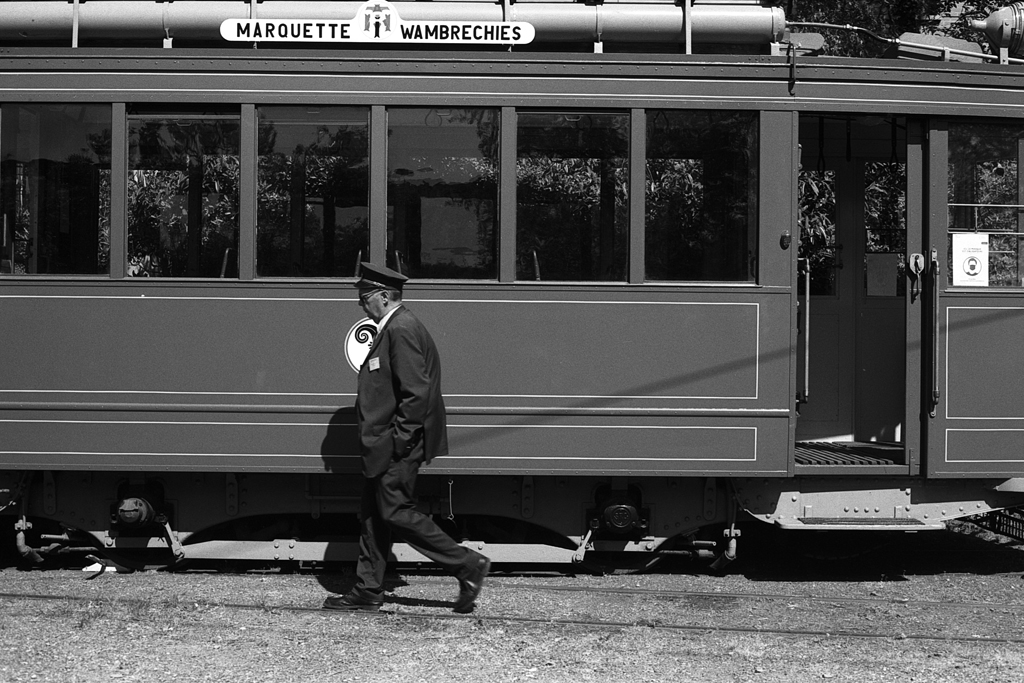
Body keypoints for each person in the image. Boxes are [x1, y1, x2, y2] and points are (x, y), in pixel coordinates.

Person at [323, 262, 490, 613]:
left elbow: (417, 392)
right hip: (386, 443)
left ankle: (467, 564)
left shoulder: (401, 328)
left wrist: (398, 440)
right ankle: (368, 589)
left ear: (384, 296)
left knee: (396, 511)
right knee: (373, 514)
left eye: (364, 296)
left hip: (396, 444)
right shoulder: (394, 326)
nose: (360, 303)